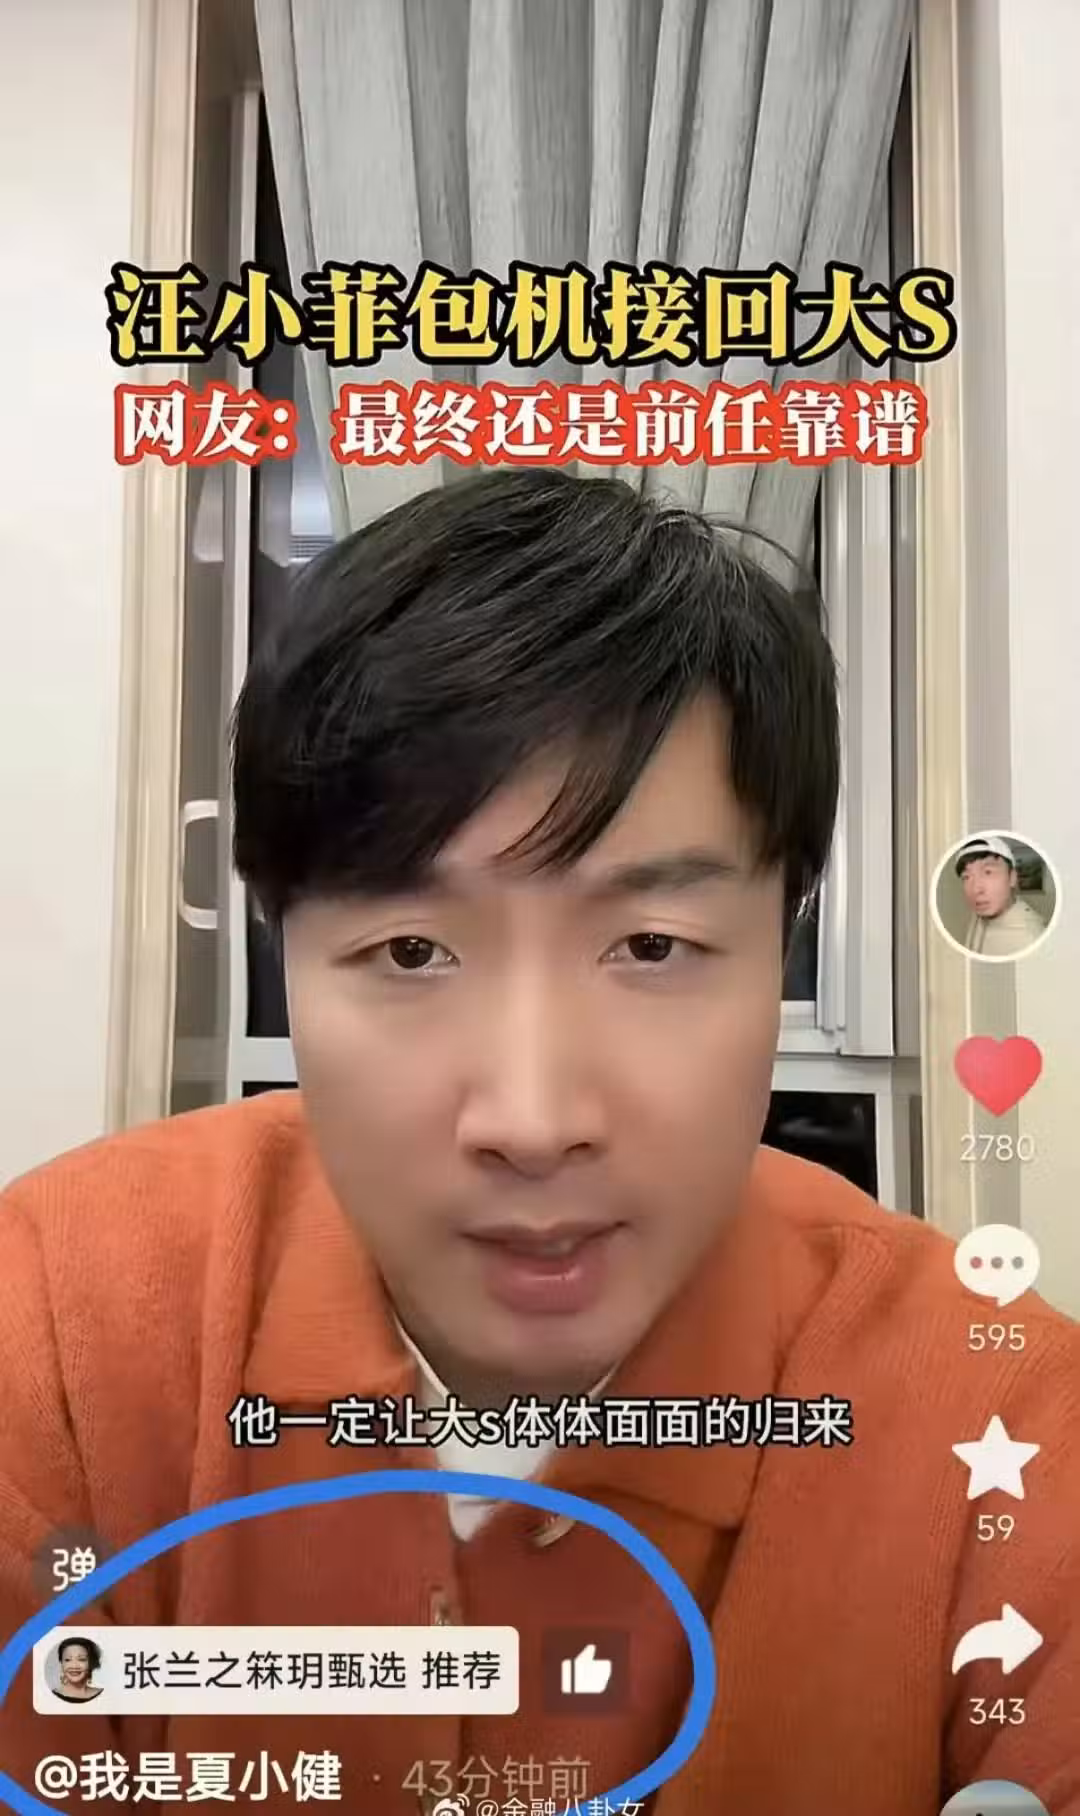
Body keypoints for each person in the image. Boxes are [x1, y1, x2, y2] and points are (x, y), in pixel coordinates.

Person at [0, 471, 1077, 1816]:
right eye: (410, 950)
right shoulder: (60, 1319)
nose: (532, 1120)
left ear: (783, 941)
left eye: (652, 946)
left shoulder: (1003, 1421)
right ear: (283, 947)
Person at [956, 834, 1048, 957]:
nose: (976, 889)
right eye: (966, 877)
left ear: (1012, 878)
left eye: (988, 872)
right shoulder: (979, 914)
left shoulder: (1031, 938)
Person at [51, 1637, 104, 1704]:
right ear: (61, 1663)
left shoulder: (103, 1695)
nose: (74, 1666)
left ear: (90, 1663)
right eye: (68, 1660)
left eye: (81, 1659)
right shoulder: (49, 1697)